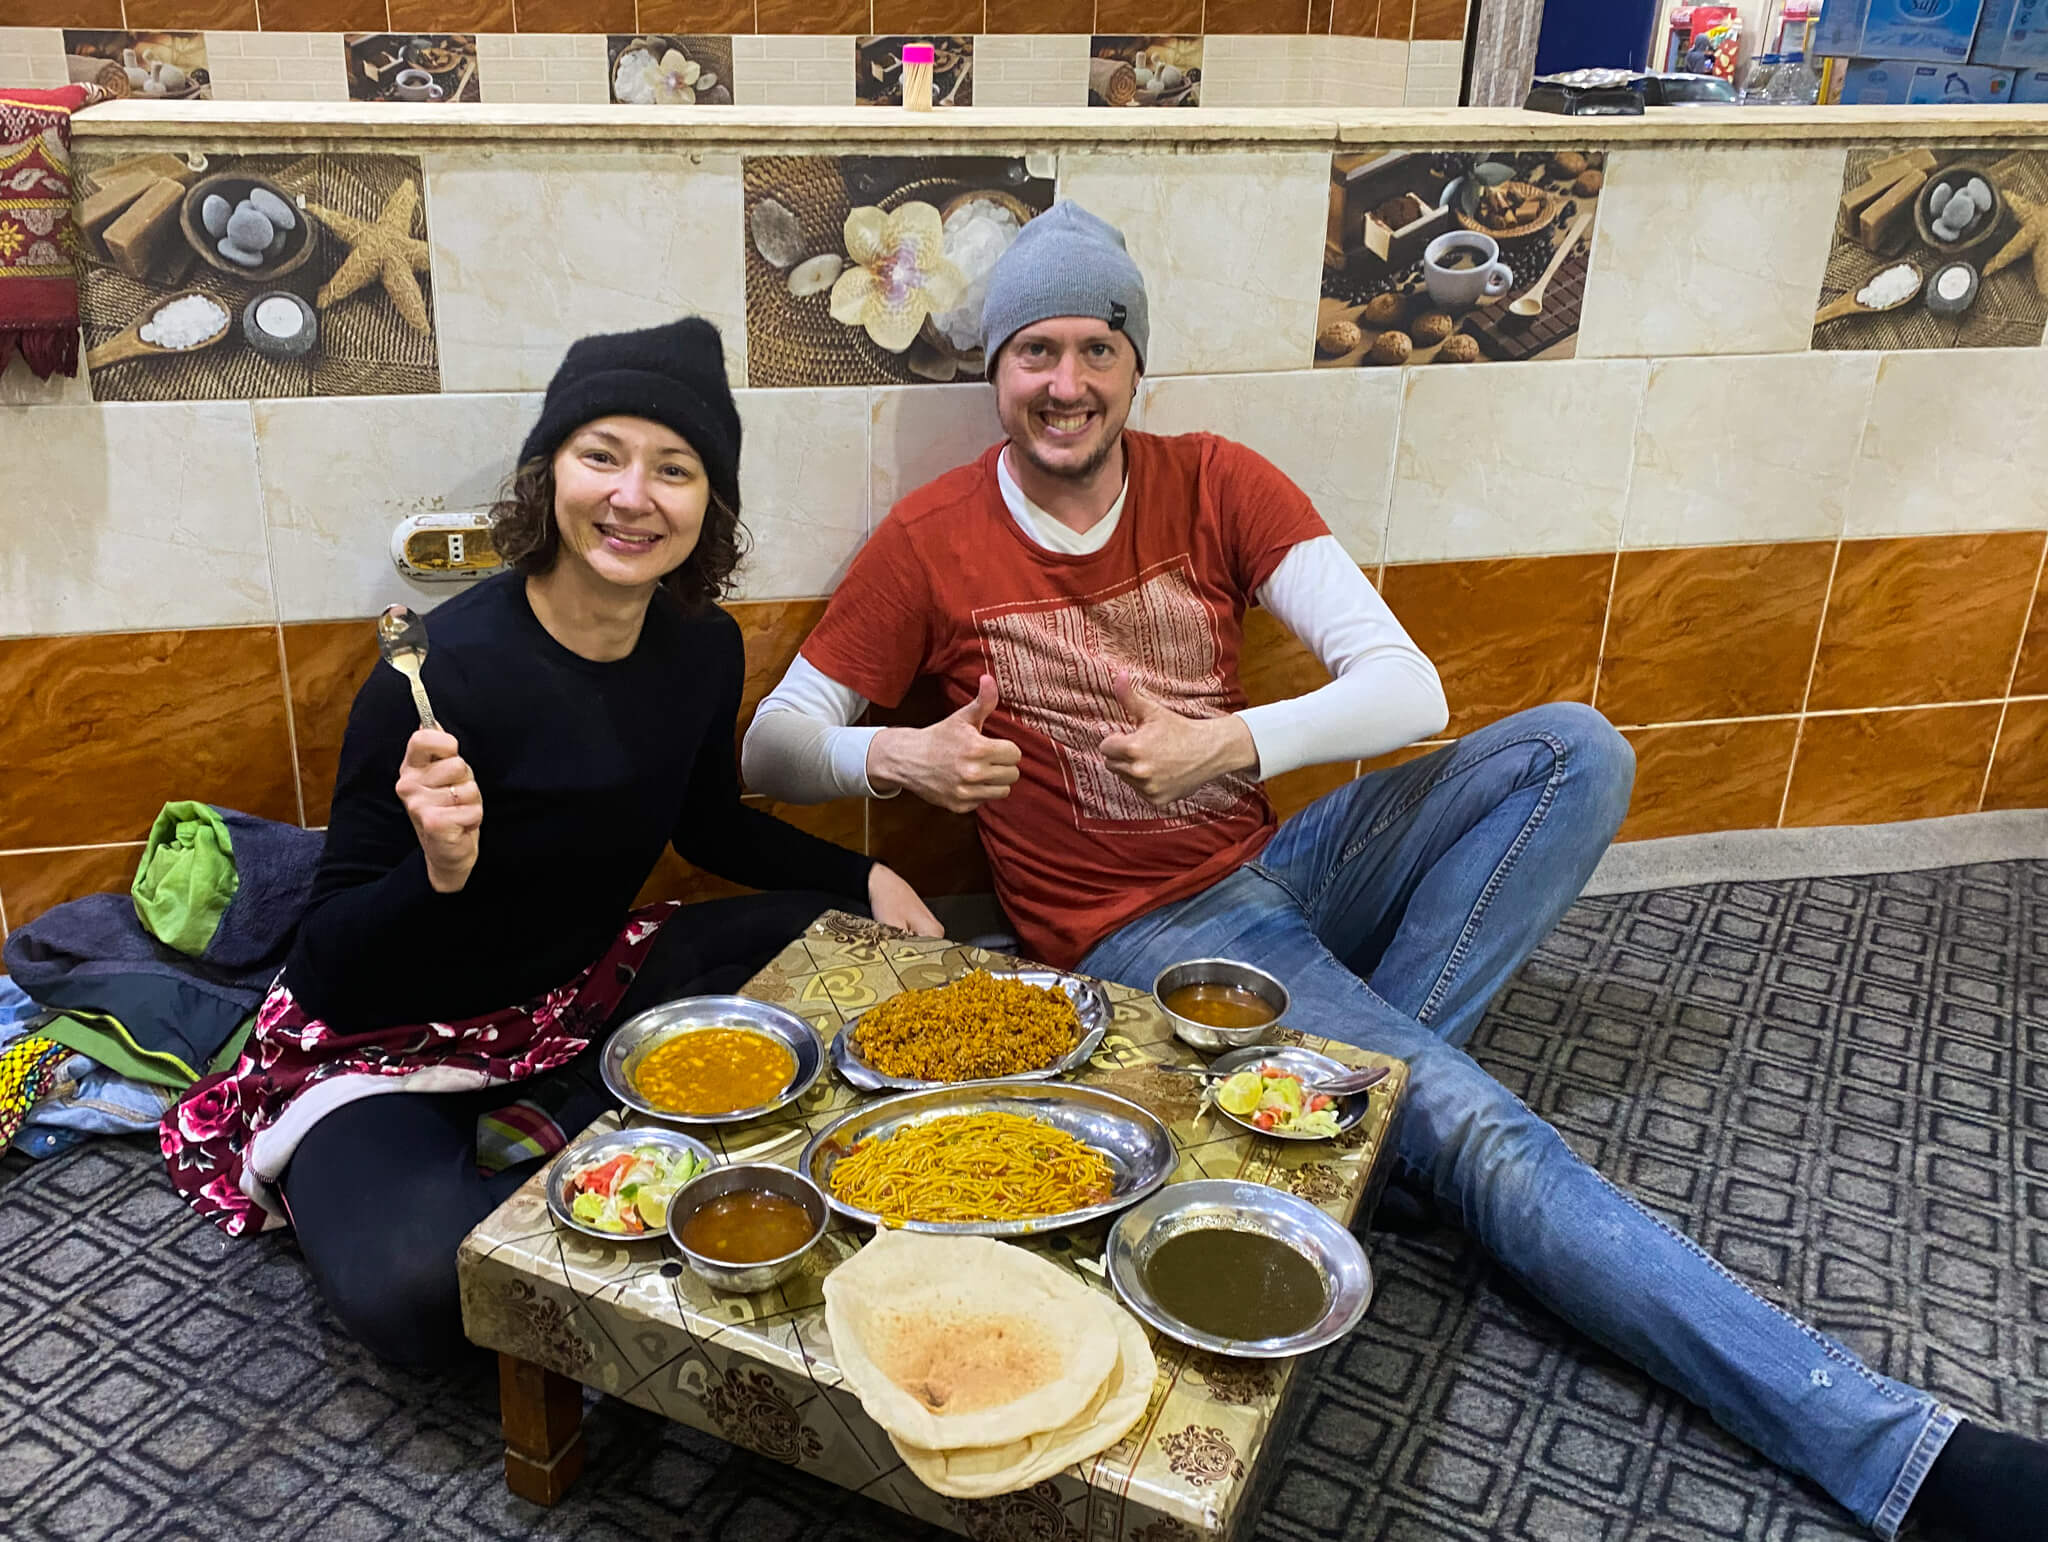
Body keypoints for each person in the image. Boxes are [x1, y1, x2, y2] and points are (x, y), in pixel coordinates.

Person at [740, 204, 2045, 1540]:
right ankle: (1902, 1456)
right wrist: (895, 757)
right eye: (1032, 352)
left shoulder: (1219, 479)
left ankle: (1376, 1127)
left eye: (1093, 348)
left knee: (1572, 751)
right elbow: (774, 747)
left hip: (1280, 865)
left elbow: (1405, 686)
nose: (1063, 383)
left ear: (1136, 367)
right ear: (995, 373)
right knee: (1488, 1130)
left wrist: (1231, 742)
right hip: (1137, 938)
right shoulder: (930, 540)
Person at [160, 317, 940, 1368]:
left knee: (865, 952)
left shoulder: (700, 650)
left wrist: (867, 873)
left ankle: (559, 1117)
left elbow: (706, 826)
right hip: (385, 1038)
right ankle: (575, 1128)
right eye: (601, 457)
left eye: (674, 468)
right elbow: (331, 956)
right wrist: (438, 875)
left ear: (710, 504)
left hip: (575, 989)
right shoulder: (439, 671)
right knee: (426, 1302)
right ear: (548, 476)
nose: (633, 496)